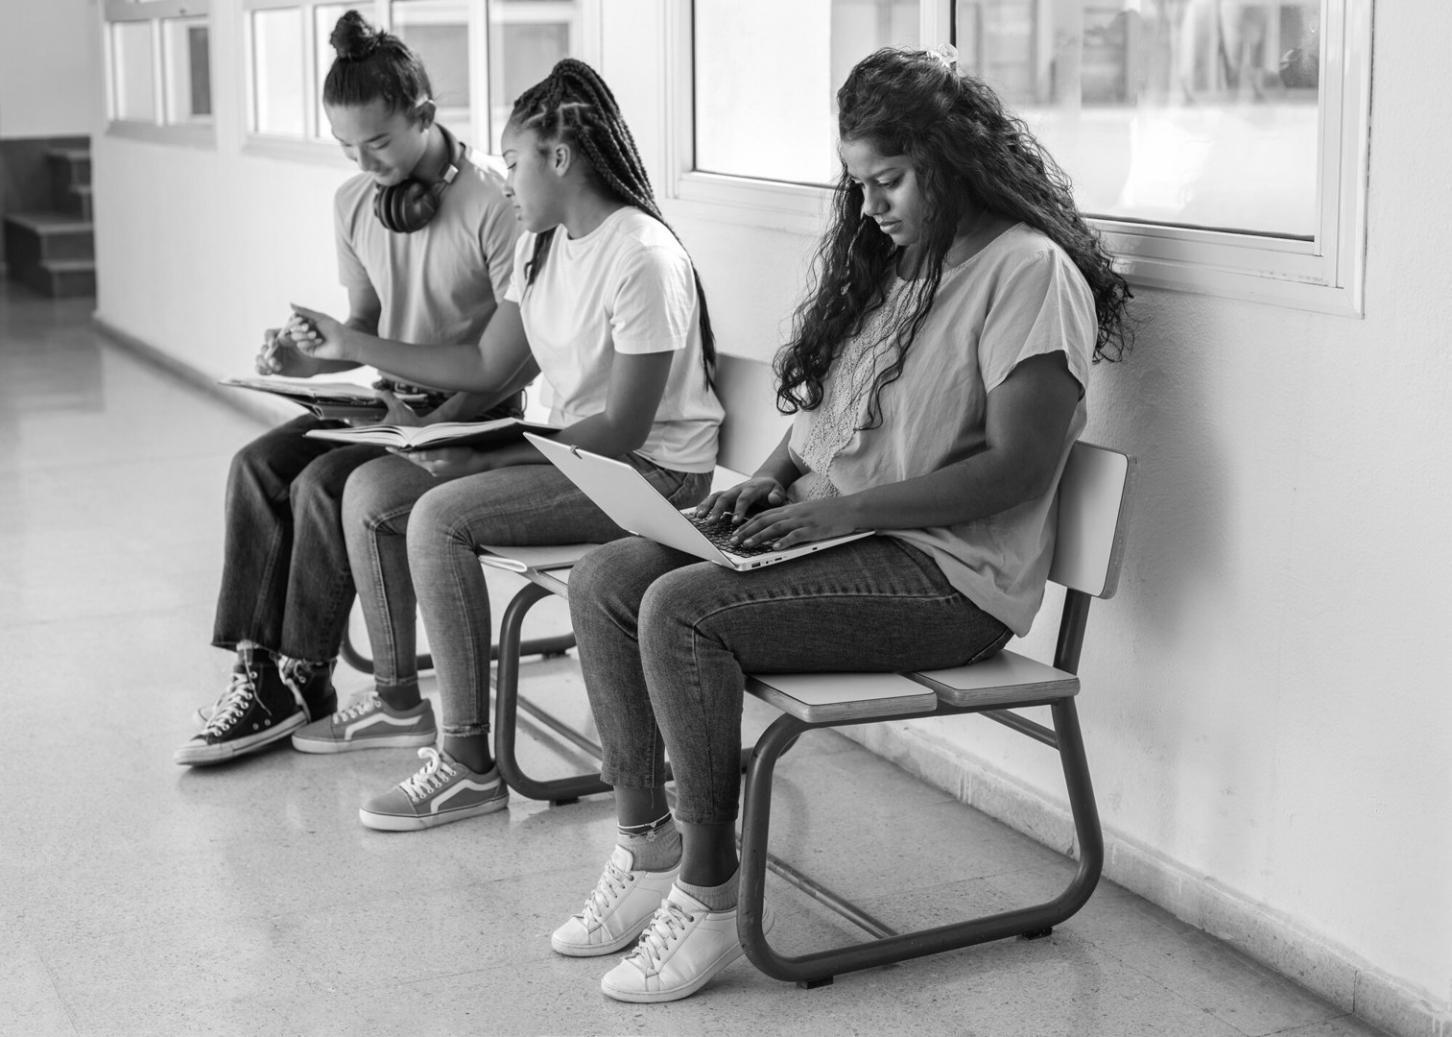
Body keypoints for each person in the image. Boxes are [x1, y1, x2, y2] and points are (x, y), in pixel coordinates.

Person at [556, 46, 1131, 1004]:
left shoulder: (1028, 273)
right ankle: (646, 838)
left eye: (891, 180)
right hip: (850, 540)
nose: (872, 207)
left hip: (949, 581)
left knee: (681, 611)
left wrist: (838, 508)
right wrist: (774, 479)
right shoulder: (909, 263)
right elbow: (835, 412)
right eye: (861, 184)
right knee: (608, 576)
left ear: (955, 159)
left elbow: (1019, 468)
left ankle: (706, 892)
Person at [282, 59, 724, 830]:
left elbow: (622, 431)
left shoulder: (641, 258)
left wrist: (483, 455)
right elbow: (485, 366)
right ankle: (414, 713)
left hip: (651, 476)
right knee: (387, 493)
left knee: (440, 516)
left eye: (514, 162)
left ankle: (467, 764)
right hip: (581, 456)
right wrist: (373, 363)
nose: (505, 180)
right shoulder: (541, 243)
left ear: (560, 158)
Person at [174, 11, 520, 766]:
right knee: (257, 466)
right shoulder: (353, 204)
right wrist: (307, 367)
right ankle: (258, 670)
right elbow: (365, 322)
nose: (364, 162)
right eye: (346, 148)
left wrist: (434, 425)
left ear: (425, 115)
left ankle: (306, 675)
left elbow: (511, 358)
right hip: (384, 406)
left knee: (324, 485)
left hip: (471, 417)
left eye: (380, 142)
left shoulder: (496, 201)